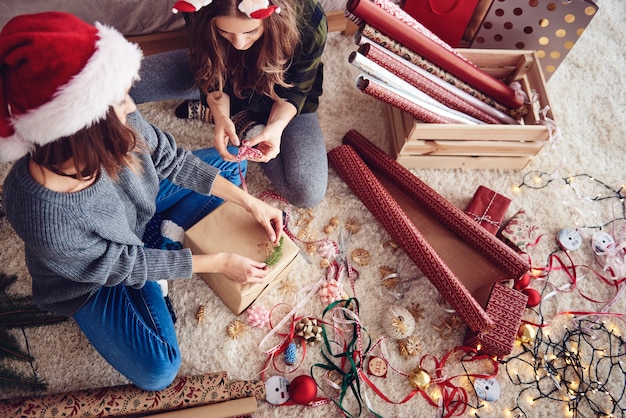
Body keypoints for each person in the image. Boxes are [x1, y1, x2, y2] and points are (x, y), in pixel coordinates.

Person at [0, 11, 283, 391]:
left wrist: (252, 205)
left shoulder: (118, 120)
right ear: (83, 128)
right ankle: (160, 247)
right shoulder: (40, 209)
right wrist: (215, 262)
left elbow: (172, 159)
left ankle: (159, 237)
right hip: (96, 278)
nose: (131, 105)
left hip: (138, 210)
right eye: (118, 101)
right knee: (160, 368)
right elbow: (119, 263)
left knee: (229, 164)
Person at [130, 0, 328, 209]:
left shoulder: (309, 20)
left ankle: (244, 124)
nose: (239, 44)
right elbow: (209, 72)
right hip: (216, 72)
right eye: (224, 31)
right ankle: (232, 119)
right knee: (115, 88)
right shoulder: (199, 7)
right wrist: (221, 115)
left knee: (308, 192)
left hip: (280, 90)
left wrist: (275, 128)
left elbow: (297, 89)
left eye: (250, 32)